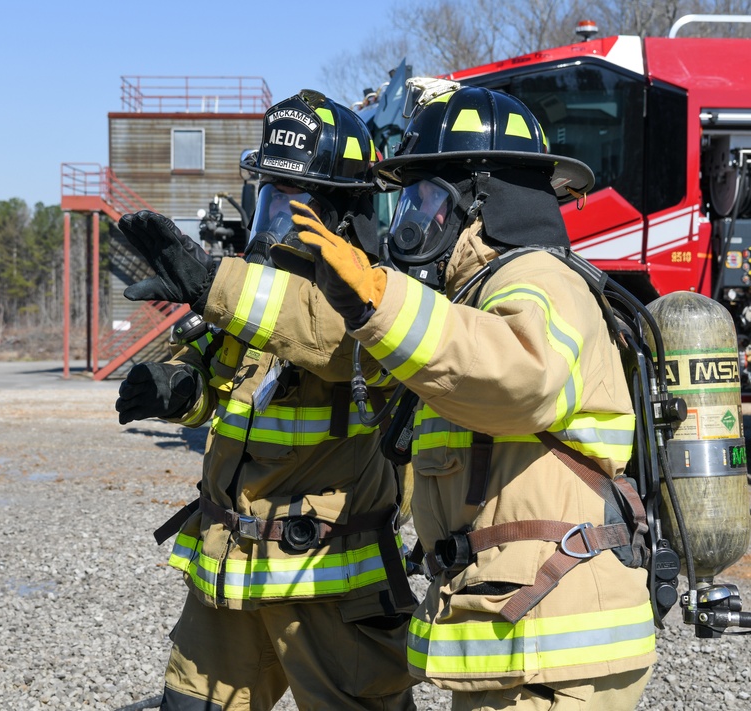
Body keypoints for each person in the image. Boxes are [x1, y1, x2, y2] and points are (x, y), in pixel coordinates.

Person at [270, 87, 655, 710]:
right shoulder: (477, 294)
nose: (413, 225)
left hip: (555, 646)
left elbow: (522, 378)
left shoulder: (539, 278)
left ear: (480, 203)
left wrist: (380, 301)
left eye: (425, 200)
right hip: (521, 632)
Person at [114, 90, 418, 711]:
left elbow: (332, 339)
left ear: (341, 211)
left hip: (327, 583)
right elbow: (233, 385)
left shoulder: (378, 297)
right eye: (269, 196)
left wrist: (213, 285)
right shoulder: (252, 294)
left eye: (293, 199)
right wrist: (183, 392)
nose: (275, 216)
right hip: (229, 572)